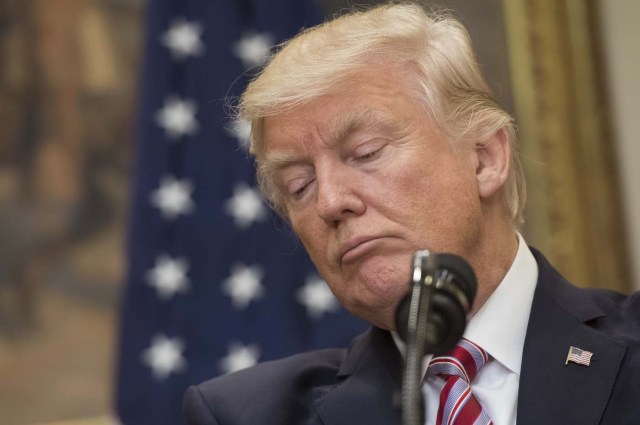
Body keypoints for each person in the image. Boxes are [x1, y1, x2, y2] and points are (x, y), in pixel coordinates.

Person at [183, 3, 640, 424]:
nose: (330, 202)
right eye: (300, 186)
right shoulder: (245, 415)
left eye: (366, 152)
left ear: (484, 158)